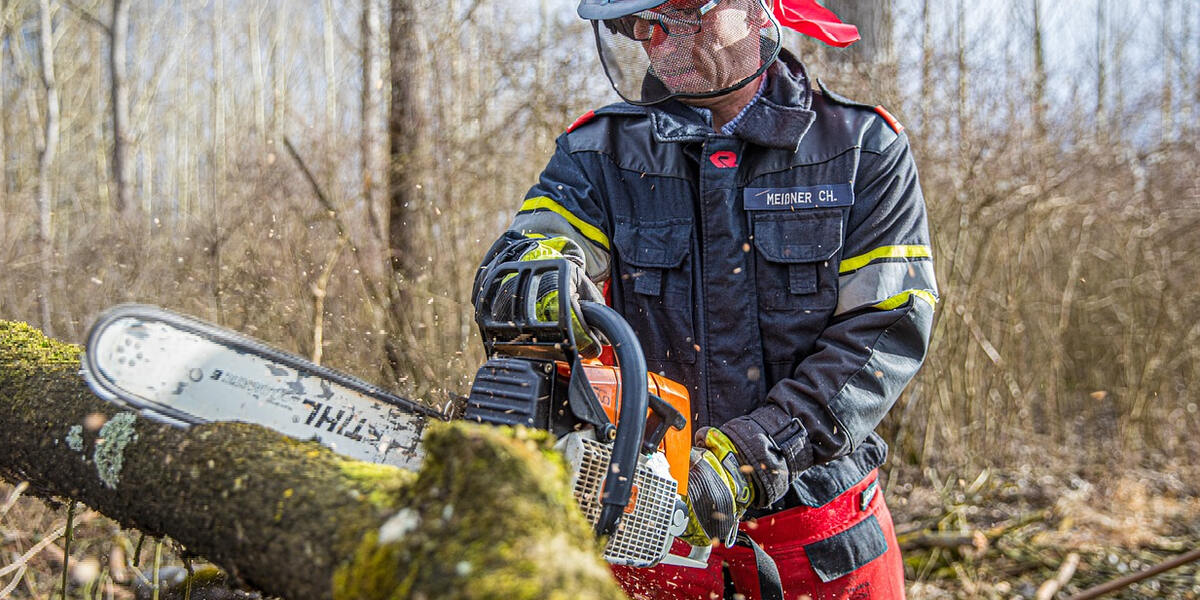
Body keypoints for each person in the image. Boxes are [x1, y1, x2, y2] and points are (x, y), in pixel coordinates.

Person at [475, 0, 937, 597]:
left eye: (682, 17)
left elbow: (885, 330)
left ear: (752, 11)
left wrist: (756, 450)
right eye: (640, 26)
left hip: (817, 534)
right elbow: (540, 235)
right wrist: (532, 271)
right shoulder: (601, 151)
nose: (656, 40)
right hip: (649, 526)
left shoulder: (859, 147)